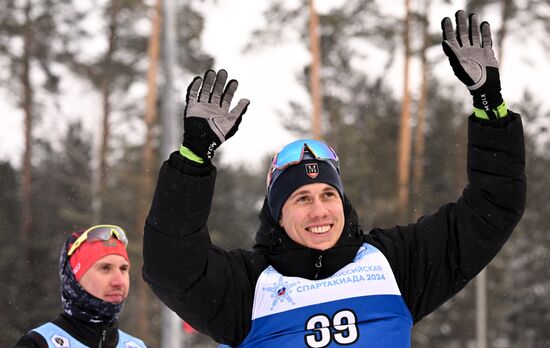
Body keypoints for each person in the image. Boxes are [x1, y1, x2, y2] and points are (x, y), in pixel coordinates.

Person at [142, 10, 525, 347]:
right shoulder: (246, 287)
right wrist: (193, 161)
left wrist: (489, 103)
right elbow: (171, 268)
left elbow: (493, 208)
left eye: (328, 194)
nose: (319, 210)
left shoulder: (395, 265)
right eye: (302, 198)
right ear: (277, 213)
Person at [16, 224, 148, 348]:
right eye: (105, 268)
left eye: (123, 269)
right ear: (74, 278)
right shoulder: (40, 343)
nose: (119, 281)